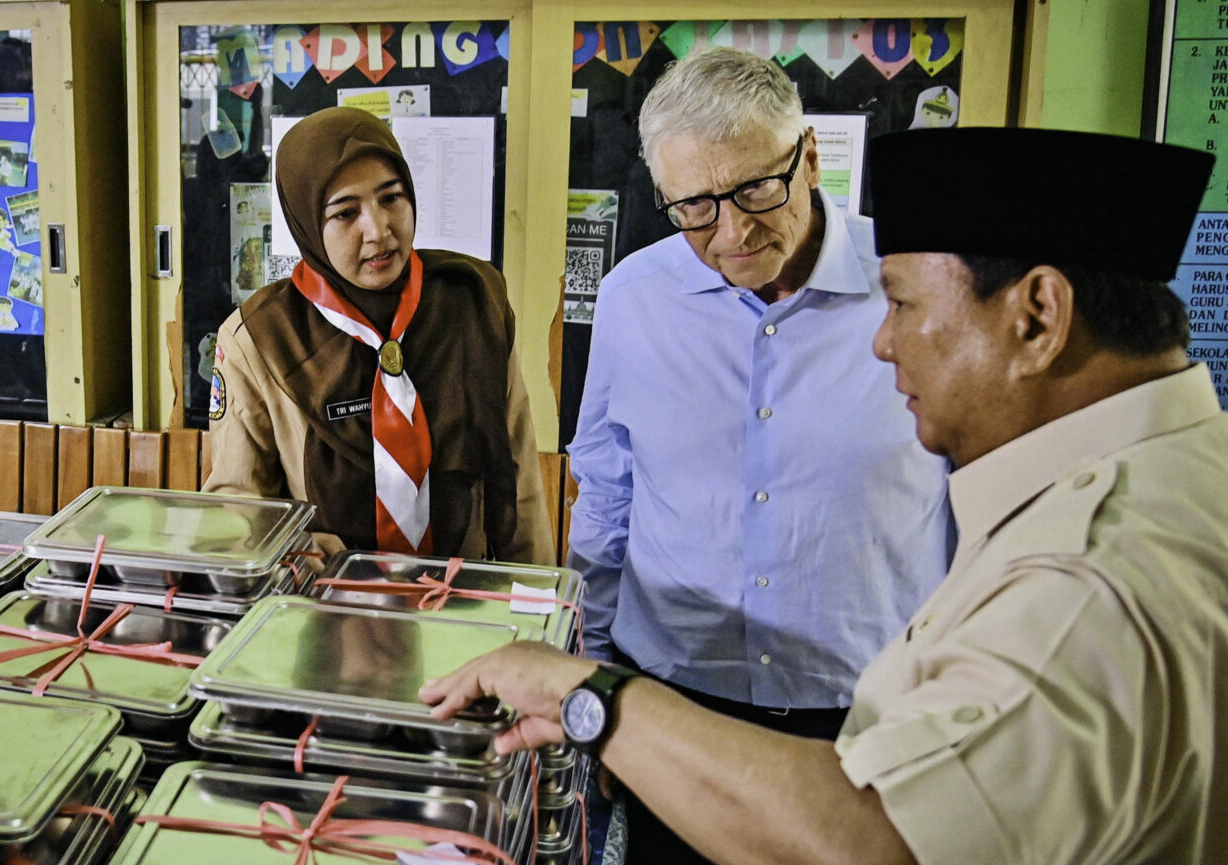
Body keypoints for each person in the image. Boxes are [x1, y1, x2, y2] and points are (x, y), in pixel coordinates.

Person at [422, 127, 1224, 864]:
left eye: (903, 304)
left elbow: (878, 842)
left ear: (1037, 316)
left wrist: (586, 695)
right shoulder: (1175, 474)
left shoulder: (1082, 581)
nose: (882, 340)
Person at [565, 46, 951, 859]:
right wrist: (598, 679)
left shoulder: (917, 288)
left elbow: (973, 505)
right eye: (696, 207)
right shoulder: (635, 298)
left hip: (870, 718)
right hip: (672, 704)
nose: (733, 231)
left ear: (808, 156)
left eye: (755, 190)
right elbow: (605, 492)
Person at [203, 106, 554, 564]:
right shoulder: (262, 339)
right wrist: (293, 548)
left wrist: (536, 596)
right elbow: (238, 509)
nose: (378, 229)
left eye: (391, 198)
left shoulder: (472, 303)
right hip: (326, 598)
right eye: (346, 213)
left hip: (462, 593)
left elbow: (519, 480)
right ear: (306, 221)